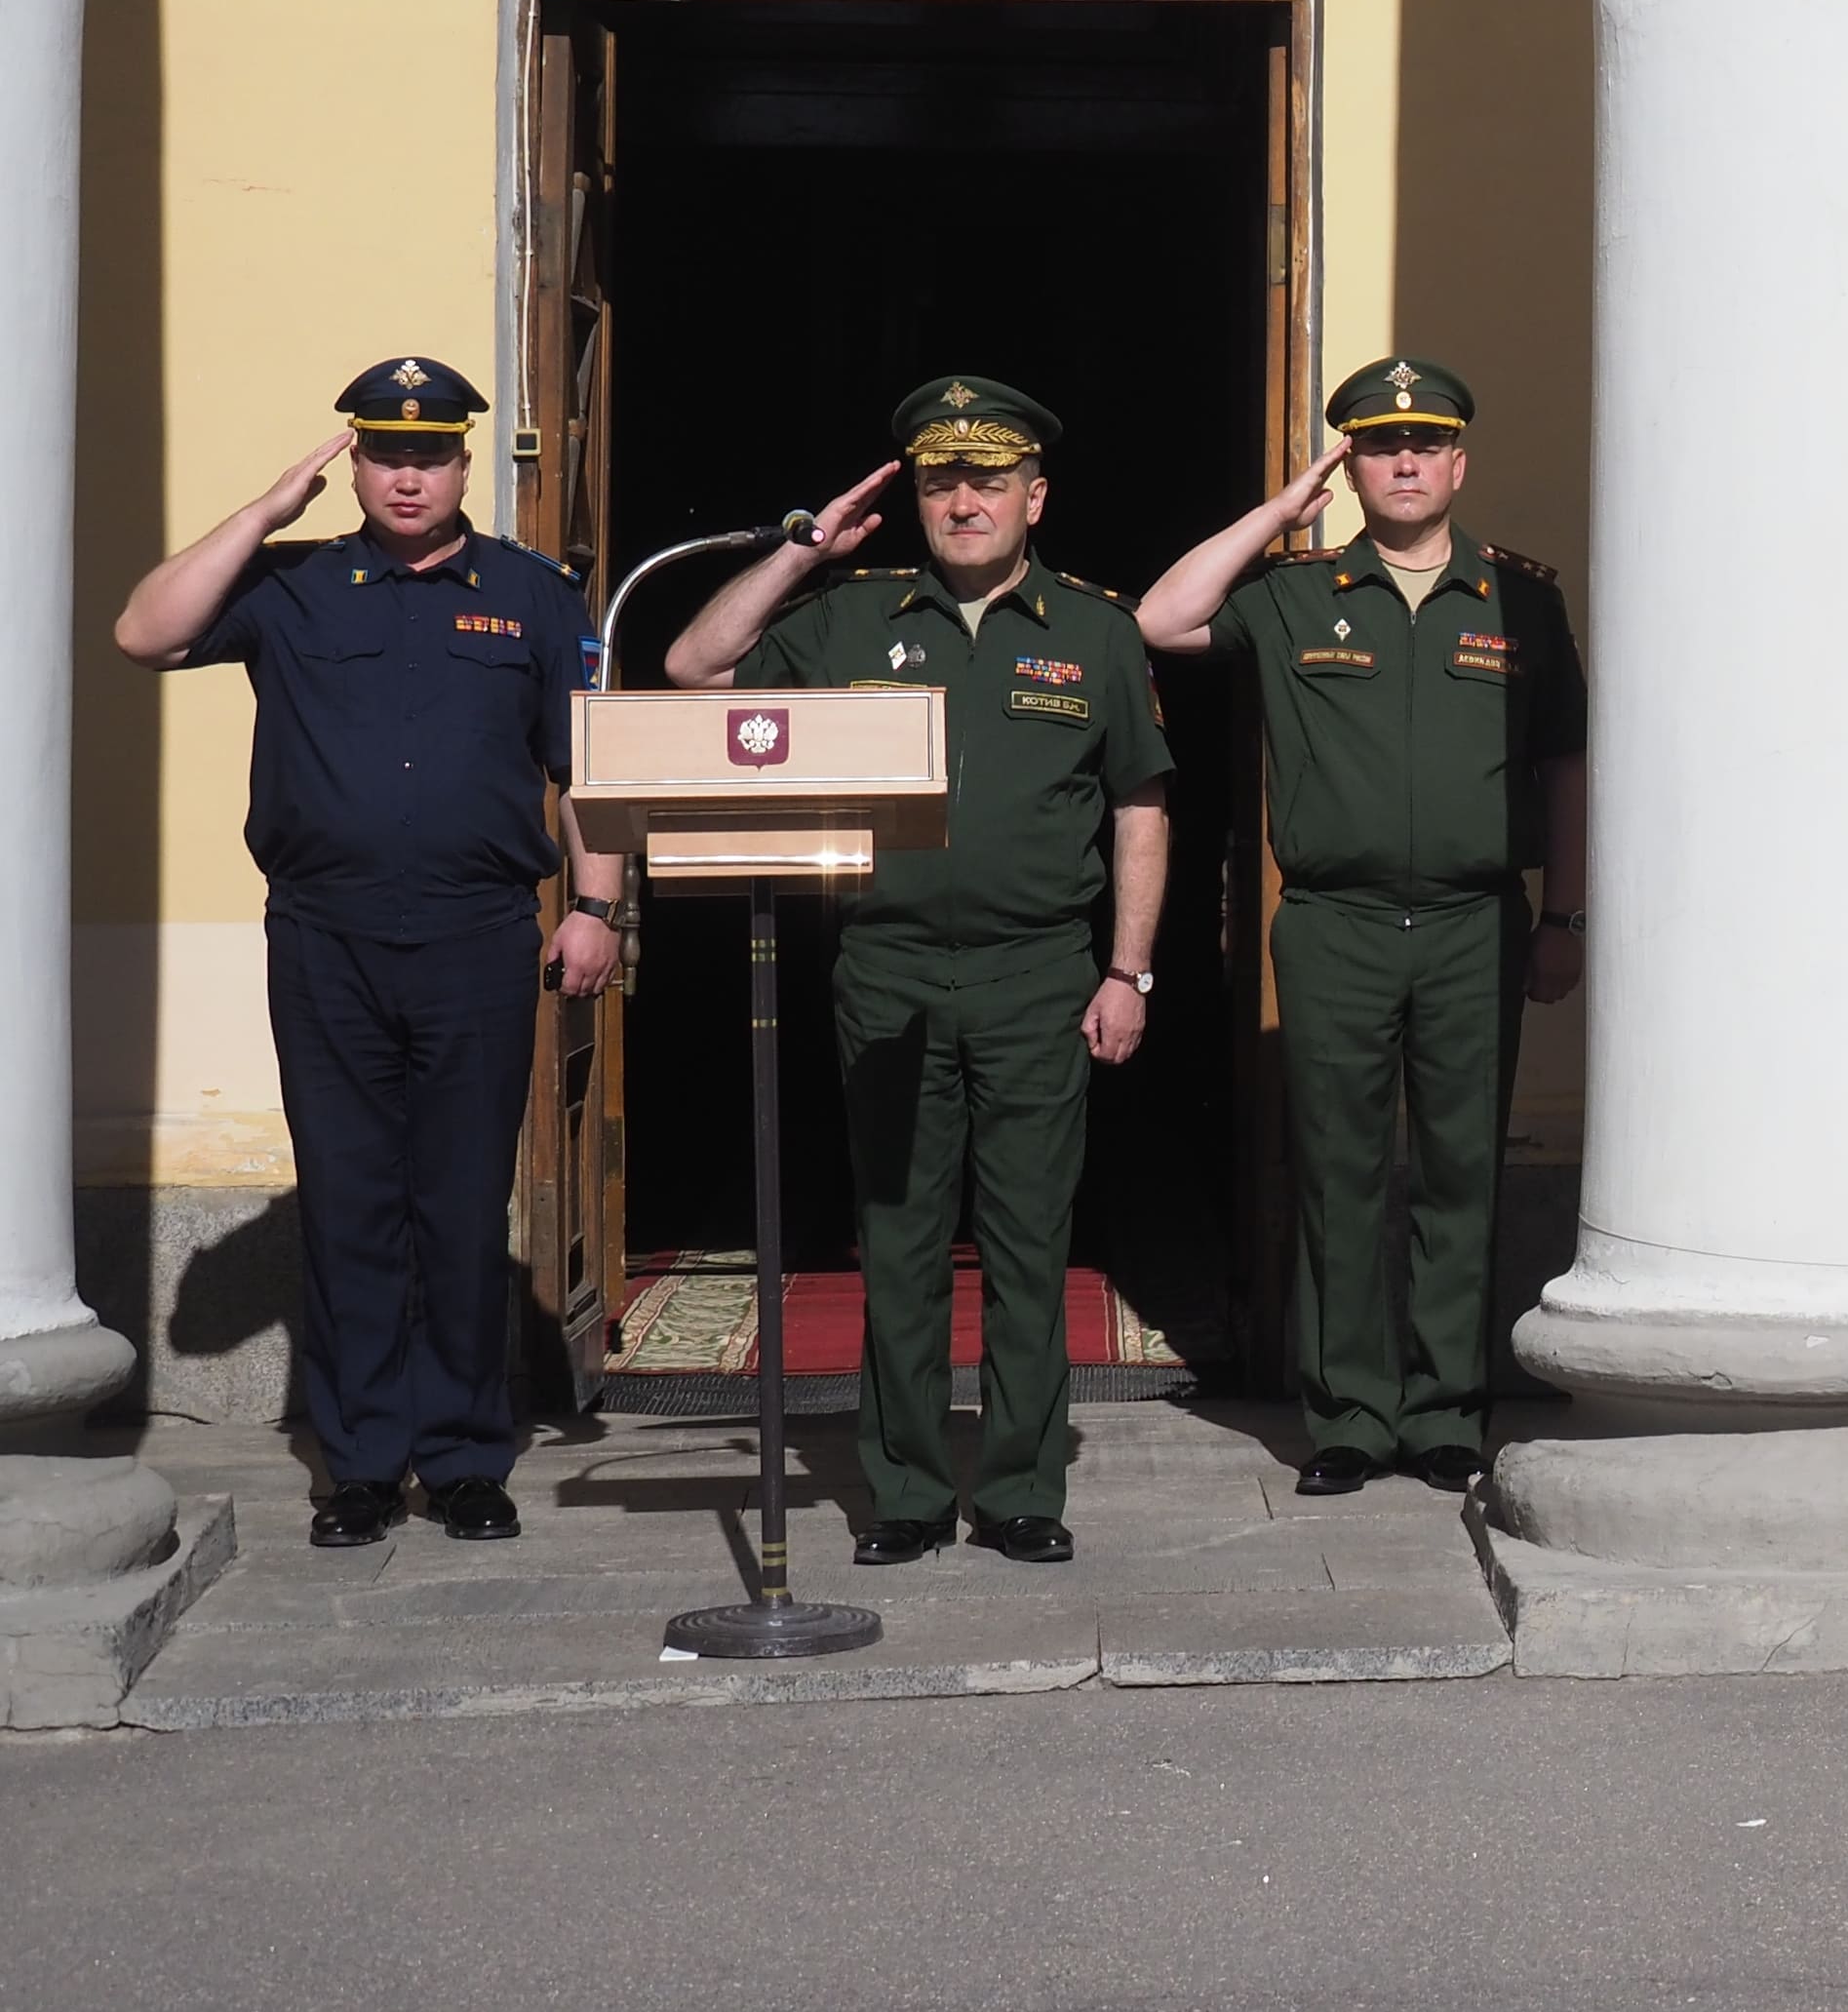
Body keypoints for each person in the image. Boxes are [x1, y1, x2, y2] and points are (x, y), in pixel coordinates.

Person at [115, 359, 625, 1548]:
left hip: (478, 936)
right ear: (353, 461)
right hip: (327, 937)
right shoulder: (289, 587)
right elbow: (143, 631)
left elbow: (589, 769)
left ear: (464, 465)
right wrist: (261, 512)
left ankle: (459, 1459)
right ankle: (359, 1464)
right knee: (349, 1205)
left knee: (457, 1208)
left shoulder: (536, 598)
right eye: (385, 453)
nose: (408, 474)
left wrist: (596, 907)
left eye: (432, 453)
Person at [667, 376, 1170, 1567]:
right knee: (895, 1237)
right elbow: (694, 667)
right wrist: (799, 554)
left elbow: (1140, 806)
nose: (963, 502)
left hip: (1041, 973)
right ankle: (901, 1488)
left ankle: (1020, 1489)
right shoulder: (849, 618)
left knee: (1027, 1241)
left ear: (1034, 498)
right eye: (943, 482)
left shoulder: (1096, 632)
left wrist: (1129, 972)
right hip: (886, 973)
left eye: (988, 481)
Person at [1141, 358, 1586, 1499]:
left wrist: (1565, 918)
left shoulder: (1523, 601)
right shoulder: (1295, 592)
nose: (1403, 461)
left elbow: (1565, 769)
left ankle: (1443, 1415)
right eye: (1379, 445)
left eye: (1425, 444)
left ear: (1457, 463)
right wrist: (1277, 515)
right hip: (1334, 926)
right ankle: (1347, 1417)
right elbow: (1161, 616)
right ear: (1349, 464)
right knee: (1337, 1175)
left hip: (1474, 922)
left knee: (1459, 1176)